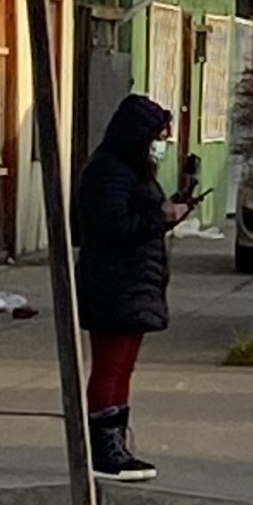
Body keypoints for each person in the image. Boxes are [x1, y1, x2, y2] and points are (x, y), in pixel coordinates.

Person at [74, 94, 195, 482]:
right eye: (157, 135)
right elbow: (112, 227)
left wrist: (167, 214)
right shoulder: (108, 170)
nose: (160, 143)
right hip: (114, 281)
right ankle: (103, 449)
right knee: (109, 365)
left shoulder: (133, 170)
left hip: (134, 282)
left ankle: (116, 444)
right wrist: (160, 217)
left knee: (123, 365)